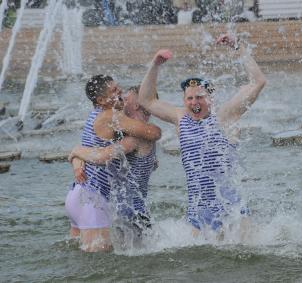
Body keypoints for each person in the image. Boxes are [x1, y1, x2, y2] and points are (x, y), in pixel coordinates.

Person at [138, 34, 266, 236]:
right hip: (198, 210)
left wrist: (238, 47)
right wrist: (155, 65)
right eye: (189, 98)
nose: (194, 102)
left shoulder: (224, 116)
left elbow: (258, 82)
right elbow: (146, 100)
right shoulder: (181, 118)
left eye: (200, 97)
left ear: (210, 98)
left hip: (230, 208)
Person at [65, 76, 161, 252]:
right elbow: (153, 132)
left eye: (120, 89)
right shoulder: (112, 116)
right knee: (97, 266)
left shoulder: (96, 116)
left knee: (78, 257)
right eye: (115, 91)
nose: (120, 94)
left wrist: (77, 158)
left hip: (76, 195)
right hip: (93, 200)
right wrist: (76, 152)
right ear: (101, 100)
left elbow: (88, 150)